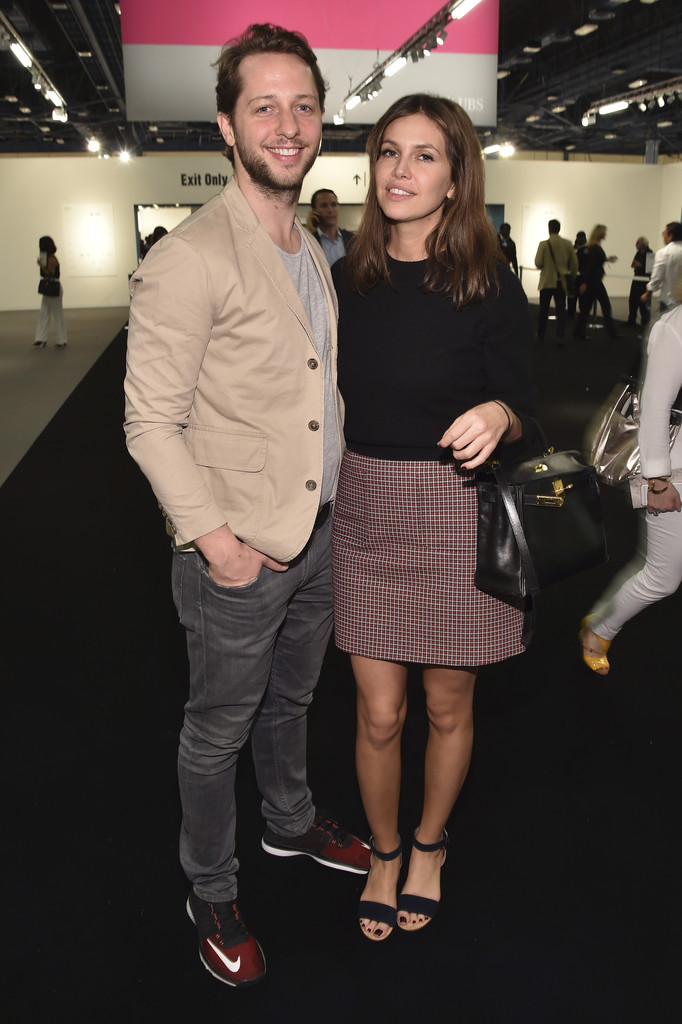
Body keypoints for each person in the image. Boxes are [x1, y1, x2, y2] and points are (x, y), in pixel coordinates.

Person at [124, 23, 370, 989]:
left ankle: (289, 821)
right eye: (264, 106)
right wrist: (218, 543)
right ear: (227, 126)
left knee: (294, 701)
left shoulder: (311, 245)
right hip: (238, 554)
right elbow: (150, 423)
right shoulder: (191, 256)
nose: (288, 124)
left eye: (303, 105)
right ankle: (211, 888)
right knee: (216, 730)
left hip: (318, 536)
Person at [331, 94, 538, 942]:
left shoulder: (488, 285)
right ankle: (383, 851)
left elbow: (528, 412)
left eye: (424, 156)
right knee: (380, 714)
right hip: (366, 508)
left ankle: (428, 844)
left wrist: (499, 413)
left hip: (457, 510)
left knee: (447, 707)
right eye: (389, 152)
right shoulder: (346, 282)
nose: (401, 170)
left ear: (456, 180)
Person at [580, 269, 682, 675]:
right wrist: (658, 481)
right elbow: (654, 407)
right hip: (674, 467)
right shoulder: (675, 327)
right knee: (663, 575)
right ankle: (599, 630)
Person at [534, 219, 577, 345]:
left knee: (543, 310)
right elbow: (574, 264)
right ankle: (560, 337)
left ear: (549, 229)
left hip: (546, 281)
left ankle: (541, 335)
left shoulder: (543, 244)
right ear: (559, 228)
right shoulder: (567, 244)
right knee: (561, 311)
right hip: (561, 282)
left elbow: (538, 262)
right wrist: (571, 277)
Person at [574, 223, 619, 340]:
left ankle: (578, 332)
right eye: (604, 232)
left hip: (593, 281)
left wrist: (606, 259)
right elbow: (589, 267)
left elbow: (593, 264)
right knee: (605, 306)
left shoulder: (594, 247)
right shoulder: (595, 248)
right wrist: (584, 282)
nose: (605, 234)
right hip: (594, 282)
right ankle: (612, 333)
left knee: (586, 309)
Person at [640, 222, 682, 315]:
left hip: (669, 301)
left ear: (671, 236)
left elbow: (657, 277)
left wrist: (647, 293)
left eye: (664, 233)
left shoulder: (664, 253)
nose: (663, 236)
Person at [34, 235, 67, 348]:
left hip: (53, 287)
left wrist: (41, 266)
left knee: (57, 314)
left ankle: (61, 340)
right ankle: (40, 338)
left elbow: (50, 273)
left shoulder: (52, 259)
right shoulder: (47, 257)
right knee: (44, 313)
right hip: (49, 287)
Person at [308, 188, 354, 266]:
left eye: (334, 205)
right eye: (324, 206)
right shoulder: (310, 242)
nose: (330, 210)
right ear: (314, 211)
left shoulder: (352, 239)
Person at [626, 236, 653, 328]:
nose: (636, 244)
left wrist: (639, 265)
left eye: (638, 243)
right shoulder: (638, 253)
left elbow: (649, 269)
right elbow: (633, 264)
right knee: (632, 300)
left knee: (643, 303)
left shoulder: (650, 253)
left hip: (644, 281)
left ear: (643, 244)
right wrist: (638, 264)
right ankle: (631, 319)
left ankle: (645, 322)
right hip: (636, 278)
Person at [567, 231, 589, 320]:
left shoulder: (587, 250)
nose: (579, 239)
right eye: (578, 237)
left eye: (581, 238)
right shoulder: (573, 248)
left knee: (582, 298)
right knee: (571, 297)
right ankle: (570, 314)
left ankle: (582, 316)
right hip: (573, 277)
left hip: (582, 278)